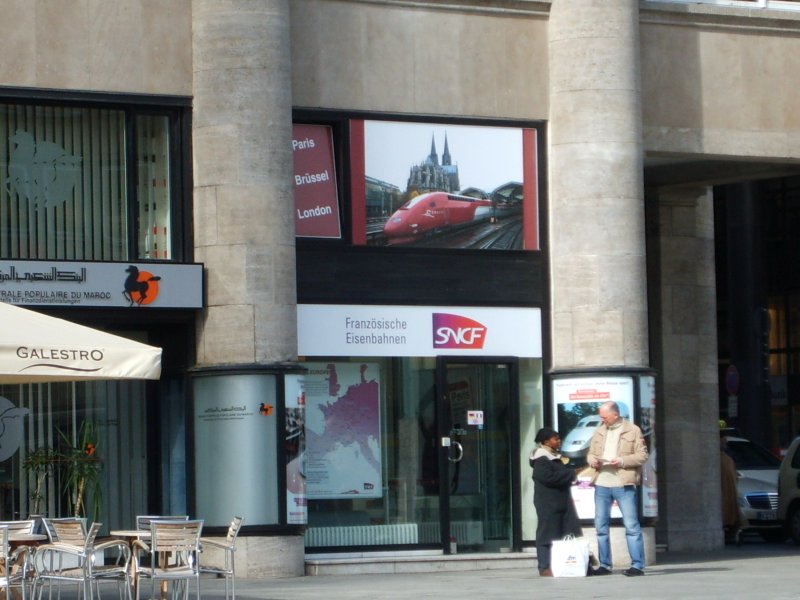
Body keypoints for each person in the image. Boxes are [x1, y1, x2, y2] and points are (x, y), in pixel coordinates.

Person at [586, 401, 648, 577]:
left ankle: (637, 565)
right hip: (602, 483)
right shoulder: (599, 430)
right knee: (601, 526)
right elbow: (591, 453)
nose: (602, 419)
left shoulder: (633, 430)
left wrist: (621, 461)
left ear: (615, 414)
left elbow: (642, 455)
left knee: (631, 525)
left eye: (604, 416)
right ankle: (605, 565)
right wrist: (592, 460)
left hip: (623, 483)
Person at [530, 426, 582, 577]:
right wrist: (571, 475)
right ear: (546, 441)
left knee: (565, 532)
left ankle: (563, 564)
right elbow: (547, 478)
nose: (559, 441)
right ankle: (544, 566)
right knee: (546, 534)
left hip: (561, 500)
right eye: (555, 439)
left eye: (559, 438)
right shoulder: (541, 457)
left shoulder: (554, 456)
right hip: (548, 502)